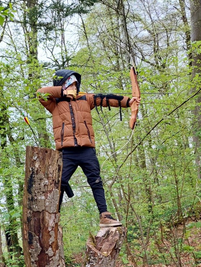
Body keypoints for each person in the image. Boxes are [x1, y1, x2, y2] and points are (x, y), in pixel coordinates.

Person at [37, 69, 140, 227]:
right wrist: (62, 93)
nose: (74, 86)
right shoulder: (54, 103)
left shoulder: (86, 99)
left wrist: (128, 102)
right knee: (60, 182)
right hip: (67, 151)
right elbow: (40, 93)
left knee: (96, 181)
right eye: (69, 84)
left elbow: (106, 99)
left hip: (86, 150)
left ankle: (105, 216)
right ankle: (53, 218)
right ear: (61, 85)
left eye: (75, 84)